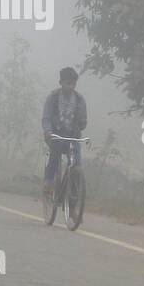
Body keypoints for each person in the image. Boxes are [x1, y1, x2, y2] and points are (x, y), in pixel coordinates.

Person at [41, 66, 88, 199]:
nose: (70, 86)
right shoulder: (53, 98)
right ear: (60, 82)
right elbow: (46, 117)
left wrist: (81, 122)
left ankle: (72, 205)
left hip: (73, 137)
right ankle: (49, 182)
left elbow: (83, 122)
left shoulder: (80, 100)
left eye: (73, 84)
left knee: (76, 165)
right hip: (55, 134)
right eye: (68, 83)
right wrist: (48, 130)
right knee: (55, 150)